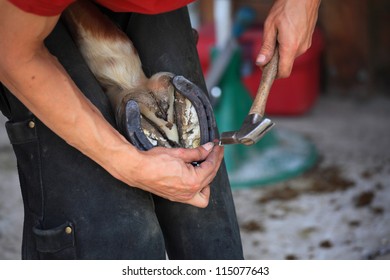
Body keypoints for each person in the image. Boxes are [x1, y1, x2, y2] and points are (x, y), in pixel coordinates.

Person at [0, 0, 320, 259]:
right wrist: (126, 163)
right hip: (19, 29)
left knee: (200, 196)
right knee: (112, 226)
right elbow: (12, 52)